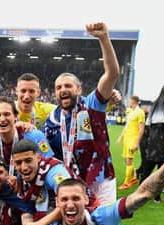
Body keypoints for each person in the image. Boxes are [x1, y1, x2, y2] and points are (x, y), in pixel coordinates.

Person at [44, 140, 164, 225]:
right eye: (64, 199)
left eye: (76, 198)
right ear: (56, 203)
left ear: (86, 200)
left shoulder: (100, 217)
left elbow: (142, 194)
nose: (70, 204)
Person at [44, 22, 119, 204]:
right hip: (71, 183)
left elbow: (112, 74)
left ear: (79, 89)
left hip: (100, 179)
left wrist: (103, 38)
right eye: (58, 87)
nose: (63, 89)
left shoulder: (91, 105)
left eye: (68, 86)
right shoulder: (51, 121)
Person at [116, 95, 145, 190]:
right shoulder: (129, 111)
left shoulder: (140, 113)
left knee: (129, 160)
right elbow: (127, 125)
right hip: (127, 139)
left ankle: (126, 182)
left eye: (130, 101)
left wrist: (137, 142)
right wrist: (121, 137)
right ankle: (133, 178)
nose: (128, 102)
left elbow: (141, 129)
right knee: (126, 159)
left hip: (133, 139)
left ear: (134, 102)